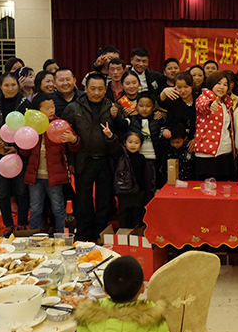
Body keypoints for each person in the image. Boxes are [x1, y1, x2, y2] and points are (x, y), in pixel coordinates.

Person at [62, 73, 127, 241]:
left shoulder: (113, 107)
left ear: (105, 89)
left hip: (106, 160)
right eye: (92, 89)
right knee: (83, 199)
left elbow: (122, 134)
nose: (96, 93)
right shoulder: (73, 108)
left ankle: (100, 233)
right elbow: (66, 137)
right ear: (85, 88)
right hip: (83, 160)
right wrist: (70, 161)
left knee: (104, 200)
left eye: (100, 89)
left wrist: (116, 118)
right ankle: (84, 234)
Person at [19, 94, 80, 233]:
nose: (52, 110)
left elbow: (75, 146)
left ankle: (62, 235)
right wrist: (24, 140)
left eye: (52, 107)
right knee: (35, 208)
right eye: (47, 108)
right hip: (35, 177)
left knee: (58, 207)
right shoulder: (31, 127)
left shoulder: (60, 125)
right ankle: (34, 236)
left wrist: (73, 139)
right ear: (38, 111)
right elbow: (25, 153)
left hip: (55, 176)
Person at [0, 71, 30, 236]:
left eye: (13, 85)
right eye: (6, 85)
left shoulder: (25, 105)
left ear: (18, 85)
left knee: (21, 191)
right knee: (3, 193)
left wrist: (17, 147)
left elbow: (29, 131)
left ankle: (22, 223)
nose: (10, 88)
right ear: (0, 87)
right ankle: (8, 224)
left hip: (19, 156)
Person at [106, 129, 153, 229]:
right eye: (130, 142)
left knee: (137, 215)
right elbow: (115, 147)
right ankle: (123, 234)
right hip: (124, 192)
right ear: (125, 142)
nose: (133, 145)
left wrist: (146, 192)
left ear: (141, 144)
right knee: (123, 215)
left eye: (136, 143)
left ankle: (135, 234)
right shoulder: (121, 156)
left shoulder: (141, 158)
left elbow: (146, 178)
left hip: (138, 193)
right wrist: (110, 136)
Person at [194, 71, 236, 181]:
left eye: (225, 84)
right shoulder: (203, 98)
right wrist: (210, 105)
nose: (222, 87)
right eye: (219, 83)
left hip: (226, 152)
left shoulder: (226, 103)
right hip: (207, 154)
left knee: (225, 188)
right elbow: (202, 106)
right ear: (211, 83)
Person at [126, 93, 163, 197]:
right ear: (136, 106)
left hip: (153, 158)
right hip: (137, 158)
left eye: (148, 106)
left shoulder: (158, 120)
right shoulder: (132, 119)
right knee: (139, 187)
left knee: (152, 186)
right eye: (141, 106)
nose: (144, 109)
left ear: (154, 107)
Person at [161, 71, 197, 148]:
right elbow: (162, 103)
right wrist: (164, 92)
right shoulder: (173, 99)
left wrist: (196, 138)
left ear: (192, 86)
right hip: (175, 140)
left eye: (186, 87)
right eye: (179, 87)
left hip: (194, 140)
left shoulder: (198, 100)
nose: (182, 91)